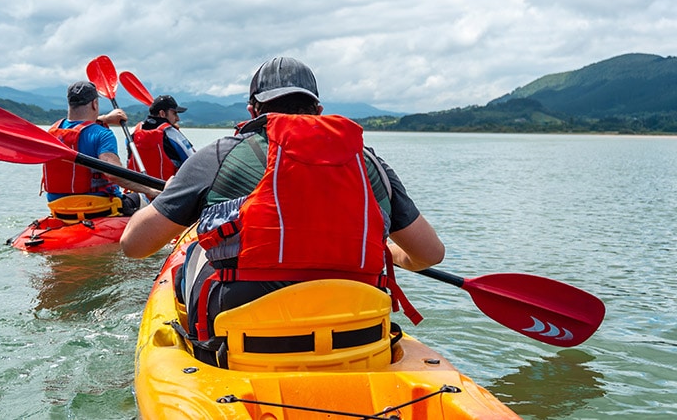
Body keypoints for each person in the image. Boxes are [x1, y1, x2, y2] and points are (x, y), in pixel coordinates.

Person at [120, 57, 445, 364]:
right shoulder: (371, 163)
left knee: (193, 249)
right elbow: (430, 254)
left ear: (252, 111)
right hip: (358, 337)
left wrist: (174, 192)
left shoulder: (218, 156)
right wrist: (393, 253)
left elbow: (134, 245)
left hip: (247, 344)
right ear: (318, 109)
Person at [42, 80, 159, 219]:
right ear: (94, 104)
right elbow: (114, 174)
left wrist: (106, 118)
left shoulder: (52, 132)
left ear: (70, 104)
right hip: (99, 207)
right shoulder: (102, 134)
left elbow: (79, 125)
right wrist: (151, 190)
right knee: (142, 199)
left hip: (59, 207)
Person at [127, 95, 196, 179]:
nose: (178, 118)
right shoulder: (171, 133)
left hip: (137, 189)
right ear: (162, 113)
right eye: (174, 113)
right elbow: (193, 161)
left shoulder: (132, 132)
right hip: (168, 189)